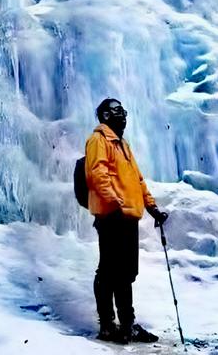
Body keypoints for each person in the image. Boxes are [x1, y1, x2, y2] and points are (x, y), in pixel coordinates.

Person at [84, 97, 169, 343]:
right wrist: (115, 204)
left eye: (123, 110)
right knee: (109, 271)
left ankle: (127, 324)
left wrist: (152, 208)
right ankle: (108, 325)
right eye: (117, 110)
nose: (123, 114)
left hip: (127, 217)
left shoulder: (123, 145)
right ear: (105, 116)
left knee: (125, 273)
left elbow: (137, 180)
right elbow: (97, 175)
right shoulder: (98, 141)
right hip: (112, 216)